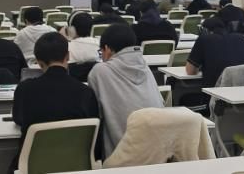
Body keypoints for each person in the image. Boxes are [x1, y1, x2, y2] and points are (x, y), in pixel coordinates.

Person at [11, 33, 100, 167]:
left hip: (33, 165)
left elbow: (18, 119)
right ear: (68, 56)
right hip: (76, 165)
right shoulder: (86, 92)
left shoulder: (24, 89)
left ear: (38, 62)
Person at [88, 23, 163, 157]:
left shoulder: (100, 71)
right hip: (157, 152)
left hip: (122, 157)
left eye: (101, 52)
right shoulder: (145, 67)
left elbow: (95, 115)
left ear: (107, 49)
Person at [185, 17, 244, 87]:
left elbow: (190, 71)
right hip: (242, 88)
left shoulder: (204, 39)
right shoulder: (241, 38)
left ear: (205, 30)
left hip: (215, 89)